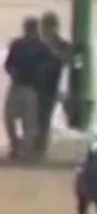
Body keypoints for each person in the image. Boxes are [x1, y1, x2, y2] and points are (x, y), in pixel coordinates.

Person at [4, 17, 45, 160]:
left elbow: (46, 68)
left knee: (29, 122)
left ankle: (25, 151)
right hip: (17, 85)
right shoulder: (17, 45)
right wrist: (12, 71)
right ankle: (15, 144)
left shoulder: (41, 48)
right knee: (9, 117)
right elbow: (8, 64)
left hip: (31, 87)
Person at [34, 12, 70, 159]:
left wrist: (50, 52)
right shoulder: (37, 44)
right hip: (36, 87)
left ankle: (40, 147)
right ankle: (36, 146)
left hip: (52, 87)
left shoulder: (62, 45)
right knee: (36, 118)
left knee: (44, 117)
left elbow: (66, 60)